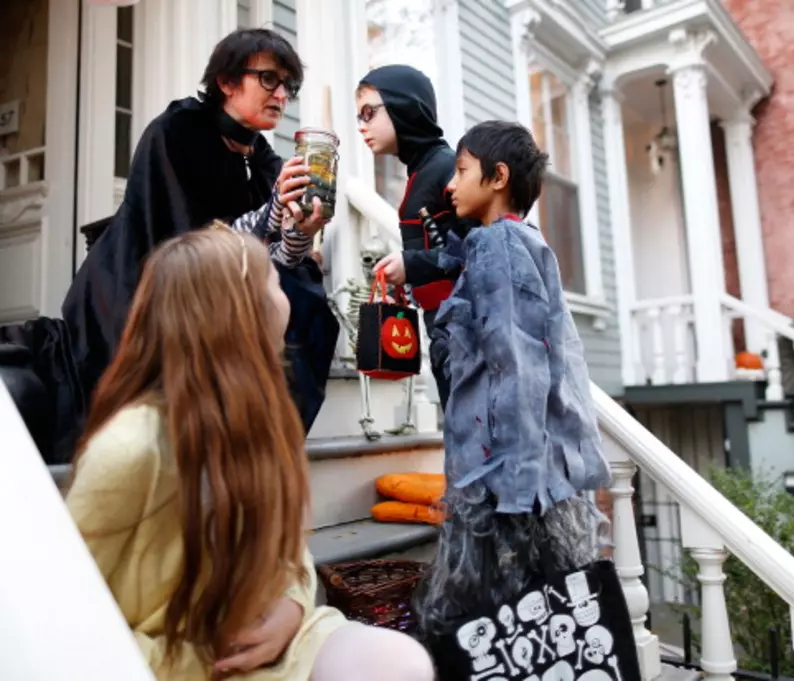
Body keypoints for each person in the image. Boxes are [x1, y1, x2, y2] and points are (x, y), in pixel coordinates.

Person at [66, 226, 434, 681]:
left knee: (402, 664)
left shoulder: (262, 419)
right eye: (275, 283)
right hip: (172, 663)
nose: (287, 295)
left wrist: (292, 610)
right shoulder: (130, 448)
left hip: (273, 638)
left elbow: (289, 555)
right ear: (237, 313)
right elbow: (68, 611)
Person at [0, 29, 340, 462]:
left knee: (307, 298)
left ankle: (259, 448)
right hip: (140, 292)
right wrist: (272, 215)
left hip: (222, 302)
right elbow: (187, 248)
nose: (281, 95)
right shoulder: (176, 131)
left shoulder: (265, 161)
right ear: (227, 81)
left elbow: (266, 262)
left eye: (289, 86)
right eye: (269, 79)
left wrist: (297, 232)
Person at [413, 121, 610, 636]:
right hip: (507, 474)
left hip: (500, 483)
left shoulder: (497, 244)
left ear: (497, 176)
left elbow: (518, 363)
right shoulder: (515, 241)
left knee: (494, 627)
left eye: (460, 171)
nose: (450, 186)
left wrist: (513, 495)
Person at [355, 65, 470, 409]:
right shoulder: (421, 171)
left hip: (465, 328)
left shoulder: (447, 168)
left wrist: (412, 264)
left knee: (472, 428)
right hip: (442, 324)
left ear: (405, 106)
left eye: (368, 112)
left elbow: (475, 249)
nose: (362, 125)